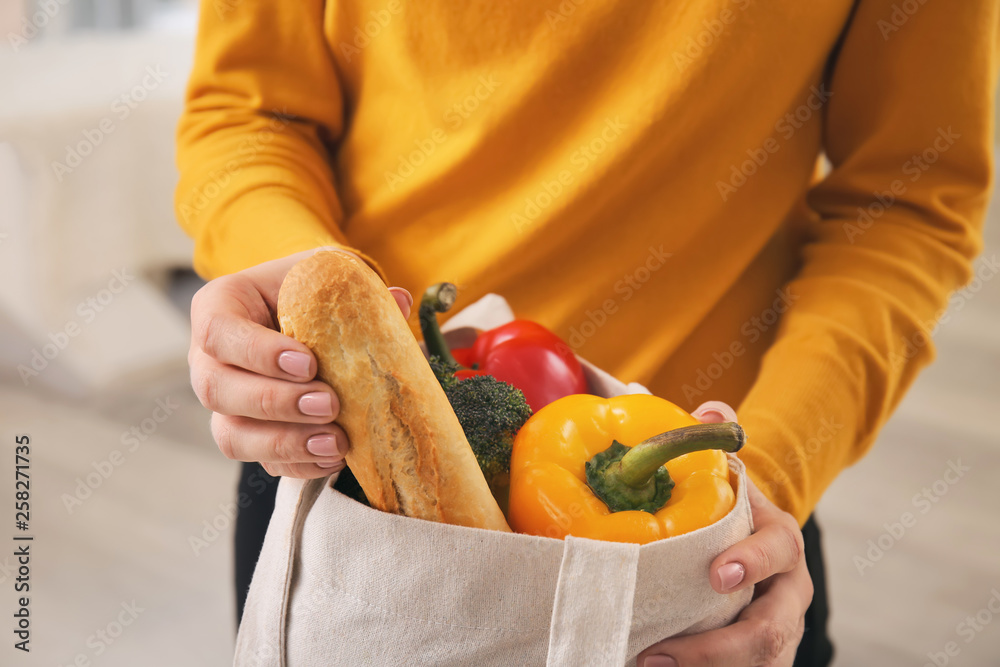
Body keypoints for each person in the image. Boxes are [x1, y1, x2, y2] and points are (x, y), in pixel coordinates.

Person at [175, 1, 997, 665]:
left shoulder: (733, 513)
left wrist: (760, 487)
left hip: (701, 515)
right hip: (347, 468)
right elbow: (253, 111)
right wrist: (303, 305)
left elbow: (903, 201)